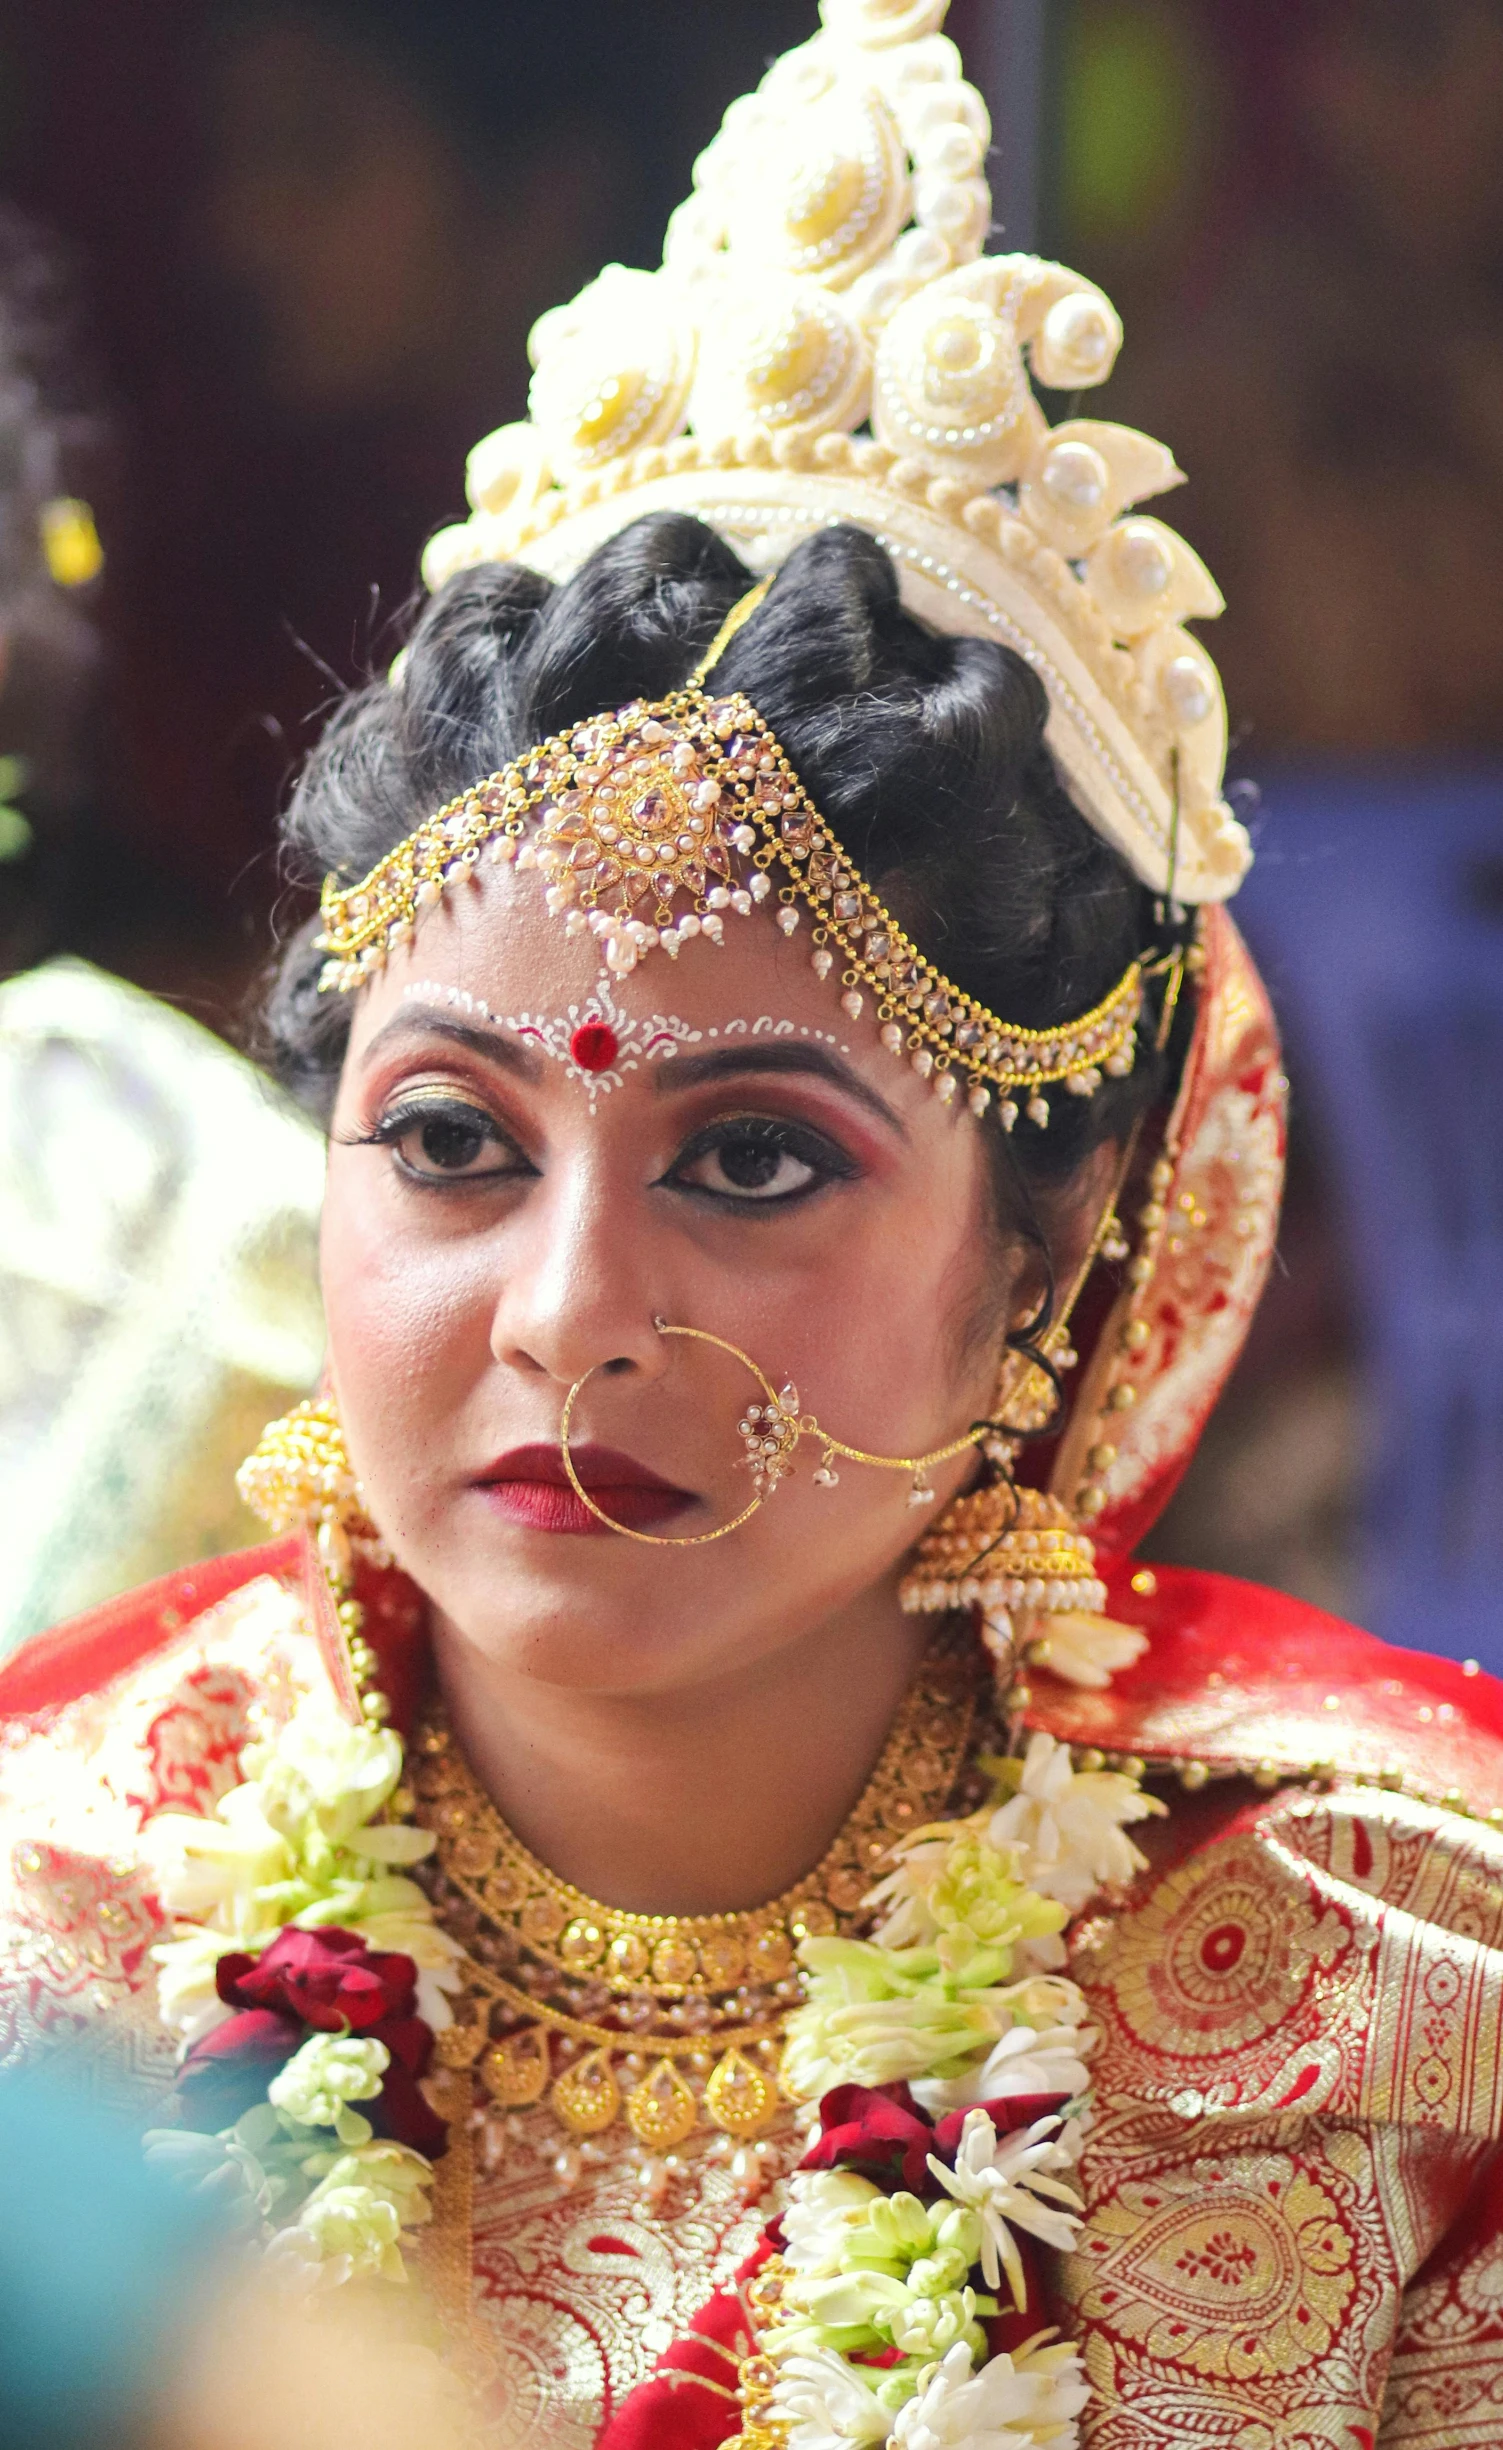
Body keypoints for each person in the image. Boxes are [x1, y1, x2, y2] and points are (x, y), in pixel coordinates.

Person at [4, 7, 1502, 2445]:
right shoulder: (47, 1923)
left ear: (1051, 1245)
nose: (574, 1314)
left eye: (753, 1160)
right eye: (452, 1142)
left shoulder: (1408, 1980)